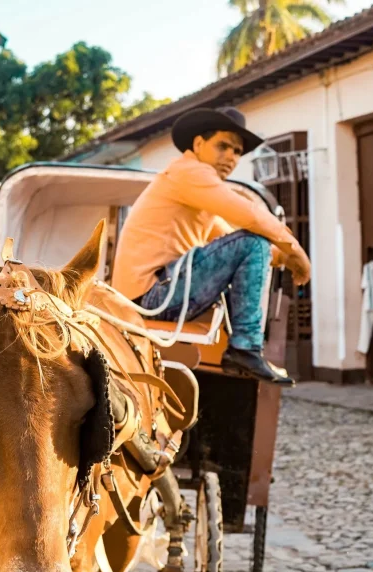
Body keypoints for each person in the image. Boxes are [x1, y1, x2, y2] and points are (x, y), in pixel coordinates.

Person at [111, 106, 311, 384]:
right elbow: (247, 214)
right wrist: (294, 248)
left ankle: (242, 348)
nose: (231, 157)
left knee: (253, 244)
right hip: (150, 298)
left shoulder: (194, 189)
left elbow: (225, 239)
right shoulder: (189, 172)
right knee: (254, 241)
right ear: (198, 144)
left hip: (155, 294)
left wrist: (281, 256)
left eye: (237, 152)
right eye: (223, 146)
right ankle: (245, 346)